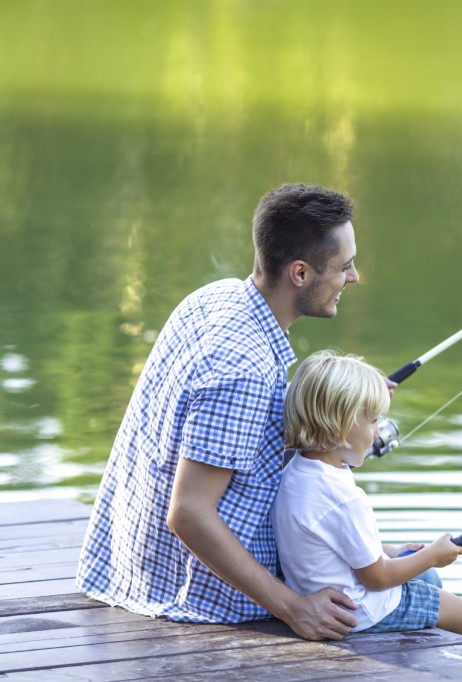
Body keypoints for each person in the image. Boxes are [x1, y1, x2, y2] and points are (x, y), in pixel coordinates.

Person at [77, 183, 368, 640]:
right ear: (300, 273)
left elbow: (244, 422)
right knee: (432, 597)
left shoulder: (217, 299)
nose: (353, 278)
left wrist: (345, 400)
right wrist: (294, 608)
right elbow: (189, 512)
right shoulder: (243, 367)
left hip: (131, 566)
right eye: (344, 266)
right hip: (197, 597)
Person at [271, 350, 462, 641]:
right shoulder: (343, 496)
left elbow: (330, 539)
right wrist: (433, 555)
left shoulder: (294, 472)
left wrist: (391, 550)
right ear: (339, 427)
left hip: (326, 594)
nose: (376, 432)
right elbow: (378, 578)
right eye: (372, 421)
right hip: (362, 611)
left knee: (429, 580)